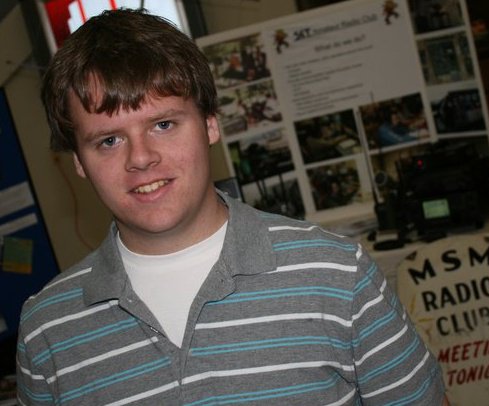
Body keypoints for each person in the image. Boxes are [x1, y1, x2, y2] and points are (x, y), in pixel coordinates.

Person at [16, 8, 448, 405]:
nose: (141, 158)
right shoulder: (47, 331)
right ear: (79, 162)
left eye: (163, 124)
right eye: (109, 140)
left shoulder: (337, 274)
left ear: (210, 124)